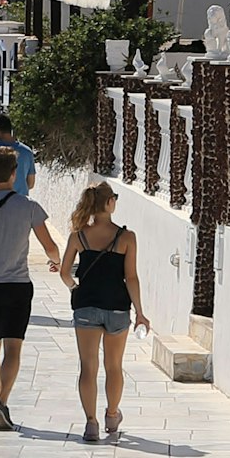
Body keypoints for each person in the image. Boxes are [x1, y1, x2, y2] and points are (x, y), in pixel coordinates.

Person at [0, 144, 62, 433]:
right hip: (17, 286)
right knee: (13, 348)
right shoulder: (29, 208)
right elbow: (51, 247)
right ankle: (2, 401)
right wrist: (56, 263)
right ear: (15, 174)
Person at [58, 178, 141, 440]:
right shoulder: (126, 237)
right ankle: (112, 415)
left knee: (88, 366)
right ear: (109, 202)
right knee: (114, 365)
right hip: (117, 307)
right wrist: (140, 312)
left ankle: (91, 423)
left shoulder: (78, 236)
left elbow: (64, 273)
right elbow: (131, 278)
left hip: (86, 307)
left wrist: (74, 289)